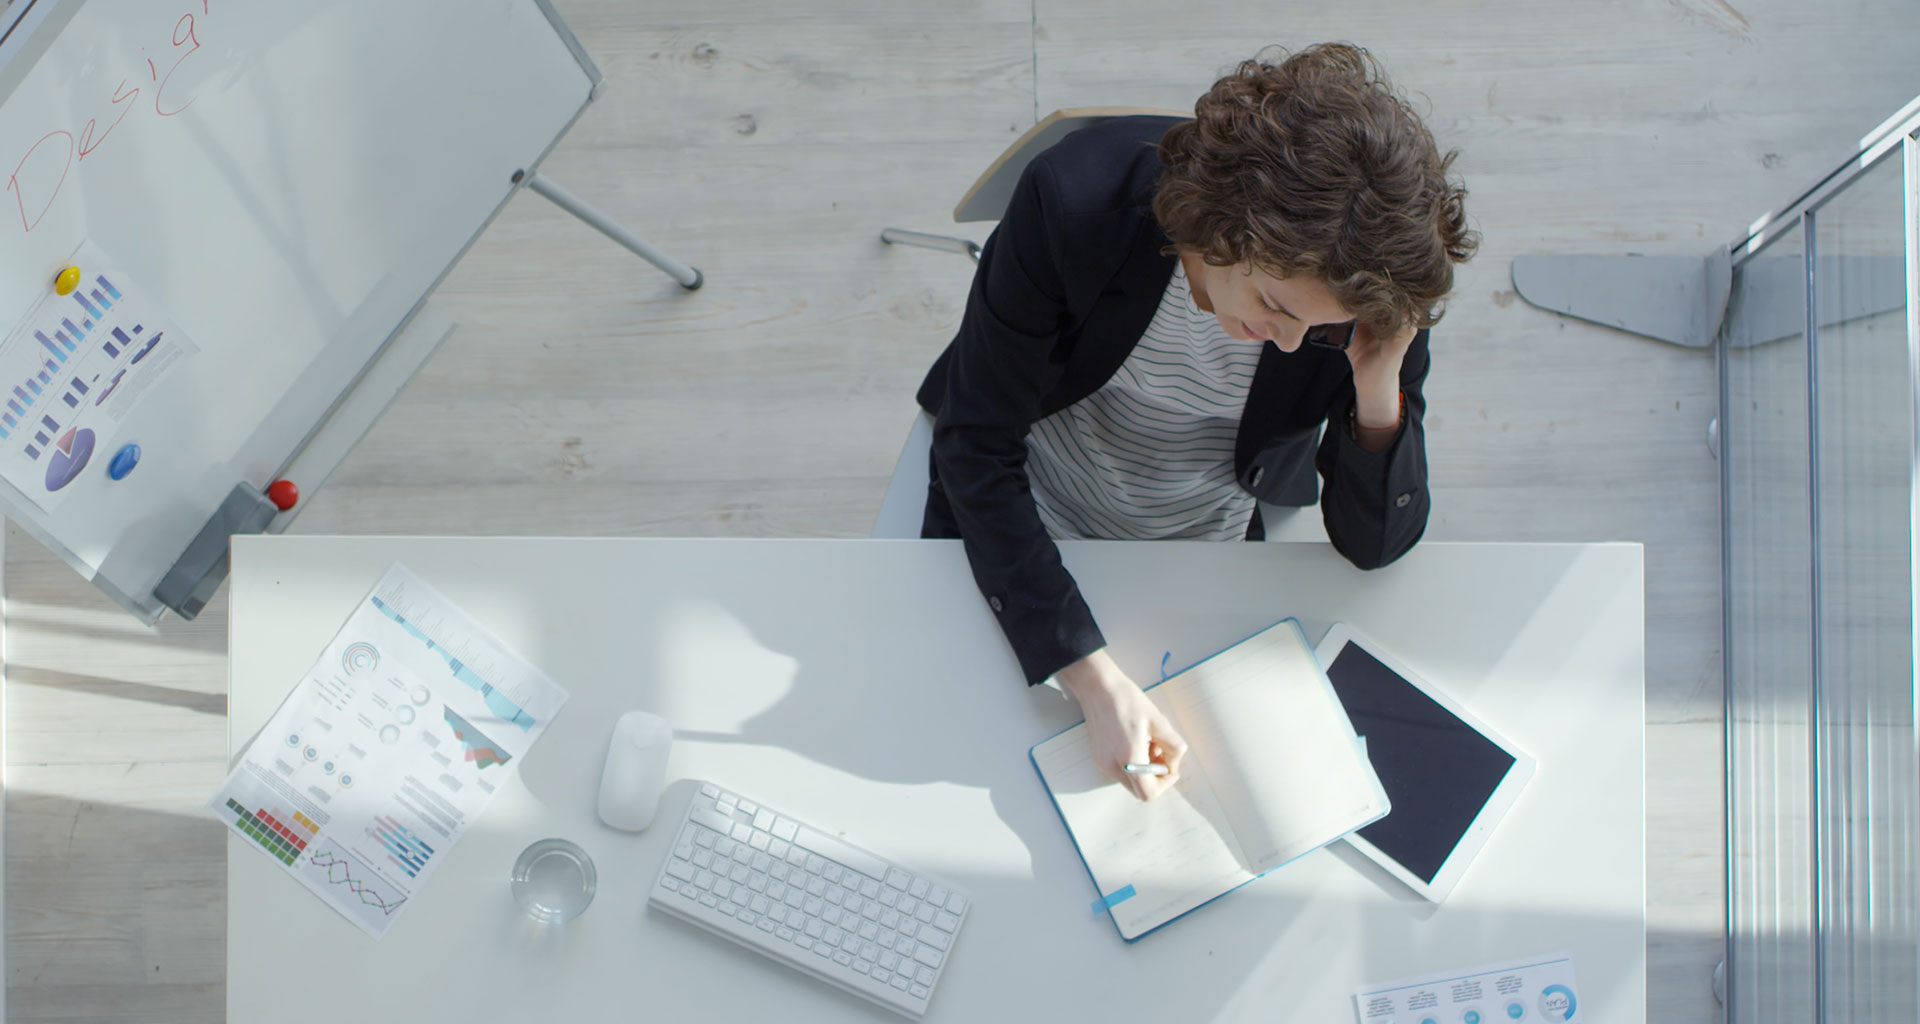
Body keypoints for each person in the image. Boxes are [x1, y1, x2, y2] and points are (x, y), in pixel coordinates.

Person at [914, 43, 1477, 801]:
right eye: (1276, 308)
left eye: (1316, 327)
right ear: (1223, 226)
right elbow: (976, 445)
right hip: (1020, 518)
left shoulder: (1358, 304)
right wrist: (1089, 676)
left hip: (1204, 544)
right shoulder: (1075, 201)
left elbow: (1375, 546)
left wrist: (1375, 390)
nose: (1289, 342)